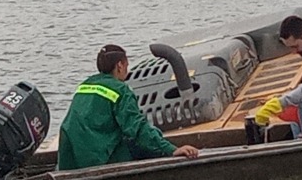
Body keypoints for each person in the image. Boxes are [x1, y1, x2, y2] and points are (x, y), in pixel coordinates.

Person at [57, 45, 199, 171]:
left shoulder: (84, 86)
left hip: (71, 160)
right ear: (120, 66)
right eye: (127, 65)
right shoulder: (120, 90)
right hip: (99, 159)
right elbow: (137, 128)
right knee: (148, 137)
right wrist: (171, 150)